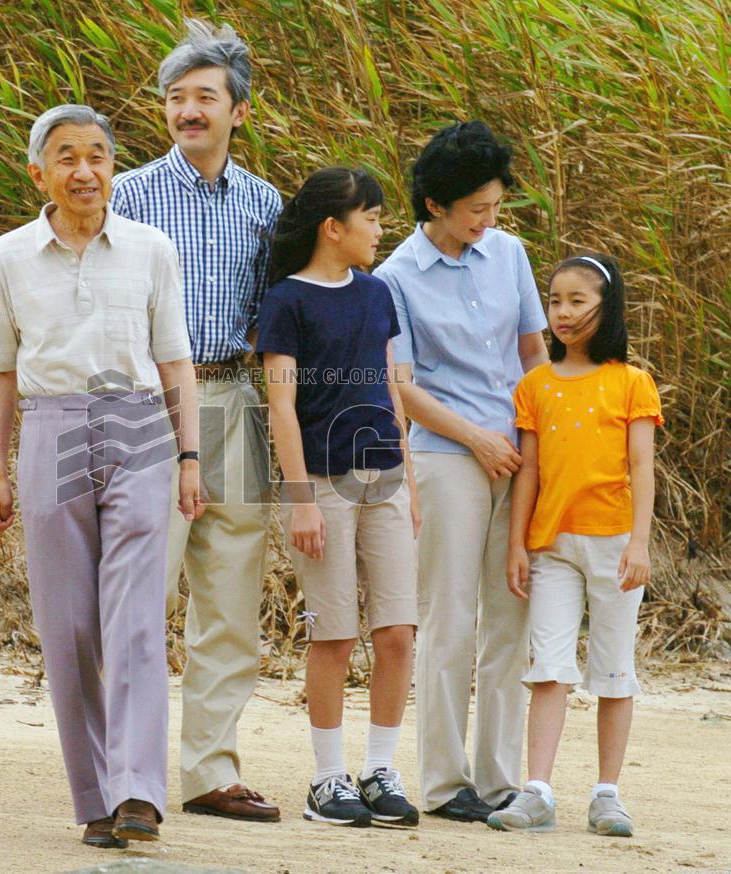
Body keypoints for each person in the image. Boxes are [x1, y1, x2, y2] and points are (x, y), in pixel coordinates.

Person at [0, 105, 201, 847]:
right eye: (66, 157)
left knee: (133, 614)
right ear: (39, 173)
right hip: (52, 425)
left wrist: (191, 456)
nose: (85, 171)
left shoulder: (151, 248)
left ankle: (138, 790)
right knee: (68, 625)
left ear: (113, 168)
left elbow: (175, 363)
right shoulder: (5, 258)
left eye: (97, 155)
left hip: (137, 425)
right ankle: (95, 797)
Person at [110, 20, 282, 822]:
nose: (187, 109)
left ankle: (210, 771)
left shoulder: (265, 202)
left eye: (204, 97)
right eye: (175, 97)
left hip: (236, 399)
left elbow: (269, 313)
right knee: (143, 592)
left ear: (237, 111)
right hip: (149, 405)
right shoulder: (132, 194)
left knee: (229, 589)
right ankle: (128, 779)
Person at [373, 120, 549, 823]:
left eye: (495, 207)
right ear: (435, 205)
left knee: (511, 615)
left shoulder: (509, 254)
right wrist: (477, 437)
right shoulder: (395, 278)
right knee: (448, 618)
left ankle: (502, 778)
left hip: (522, 455)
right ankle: (446, 784)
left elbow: (534, 356)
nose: (488, 220)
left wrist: (537, 442)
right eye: (476, 208)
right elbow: (402, 386)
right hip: (448, 455)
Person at [258, 168, 420, 828]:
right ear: (335, 227)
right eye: (373, 219)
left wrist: (406, 480)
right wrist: (299, 501)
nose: (380, 231)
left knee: (398, 633)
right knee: (333, 633)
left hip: (385, 478)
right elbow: (282, 408)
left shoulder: (378, 293)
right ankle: (327, 779)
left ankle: (380, 770)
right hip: (322, 482)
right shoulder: (286, 302)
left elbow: (390, 388)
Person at [487, 253, 662, 837]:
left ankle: (607, 794)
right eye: (555, 300)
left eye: (577, 301)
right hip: (551, 547)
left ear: (605, 307)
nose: (563, 313)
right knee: (548, 670)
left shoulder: (632, 382)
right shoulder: (535, 385)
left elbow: (642, 465)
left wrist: (639, 542)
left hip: (615, 544)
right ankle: (537, 790)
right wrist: (517, 544)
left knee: (614, 670)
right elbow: (528, 472)